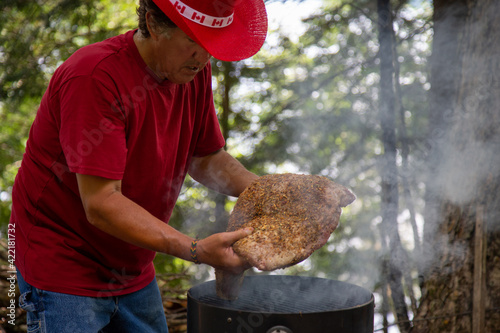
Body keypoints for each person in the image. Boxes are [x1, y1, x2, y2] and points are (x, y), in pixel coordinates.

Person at [10, 0, 268, 331]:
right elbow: (102, 203)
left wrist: (268, 192)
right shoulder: (93, 76)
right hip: (62, 261)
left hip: (129, 264)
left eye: (210, 45)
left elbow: (204, 158)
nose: (204, 57)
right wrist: (197, 250)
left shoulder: (191, 71)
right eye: (193, 41)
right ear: (154, 23)